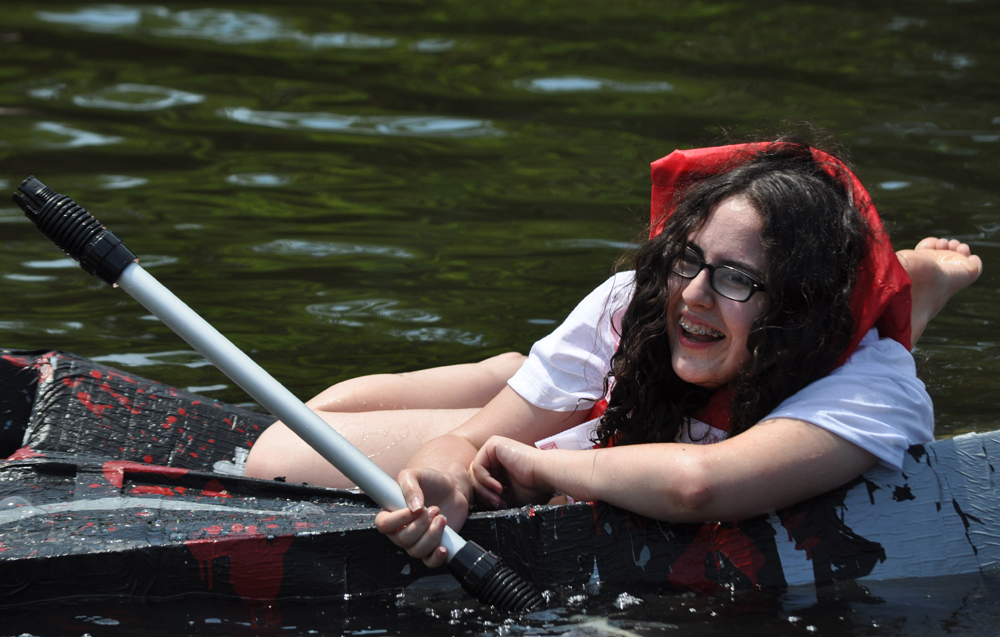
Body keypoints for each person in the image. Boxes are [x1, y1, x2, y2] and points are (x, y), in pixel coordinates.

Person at [244, 140, 983, 568]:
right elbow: (465, 445)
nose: (692, 293)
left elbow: (699, 484)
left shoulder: (874, 391)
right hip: (611, 408)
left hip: (774, 396)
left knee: (275, 451)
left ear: (801, 302)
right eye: (689, 259)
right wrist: (442, 476)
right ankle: (519, 375)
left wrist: (538, 464)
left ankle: (899, 301)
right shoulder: (642, 300)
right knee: (298, 435)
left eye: (736, 278)